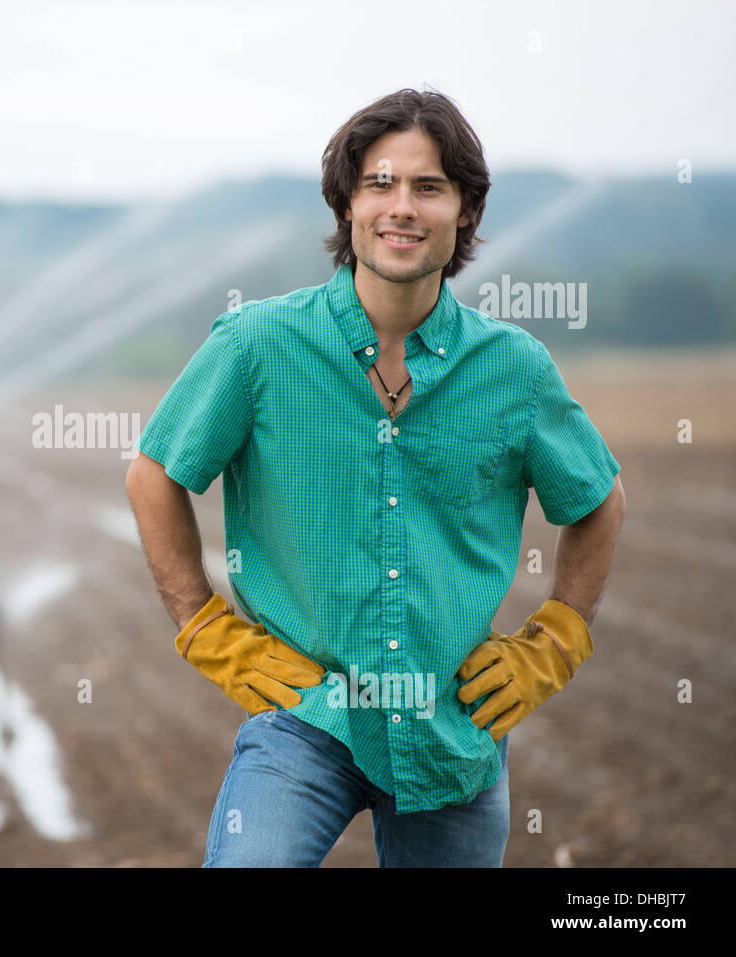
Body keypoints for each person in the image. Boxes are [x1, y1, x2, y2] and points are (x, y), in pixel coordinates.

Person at [124, 88, 626, 867]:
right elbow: (155, 473)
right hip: (304, 716)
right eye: (380, 183)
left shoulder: (514, 369)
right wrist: (204, 626)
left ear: (464, 210)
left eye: (430, 186)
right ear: (347, 204)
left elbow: (596, 501)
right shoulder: (256, 345)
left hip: (450, 727)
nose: (403, 207)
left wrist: (557, 637)